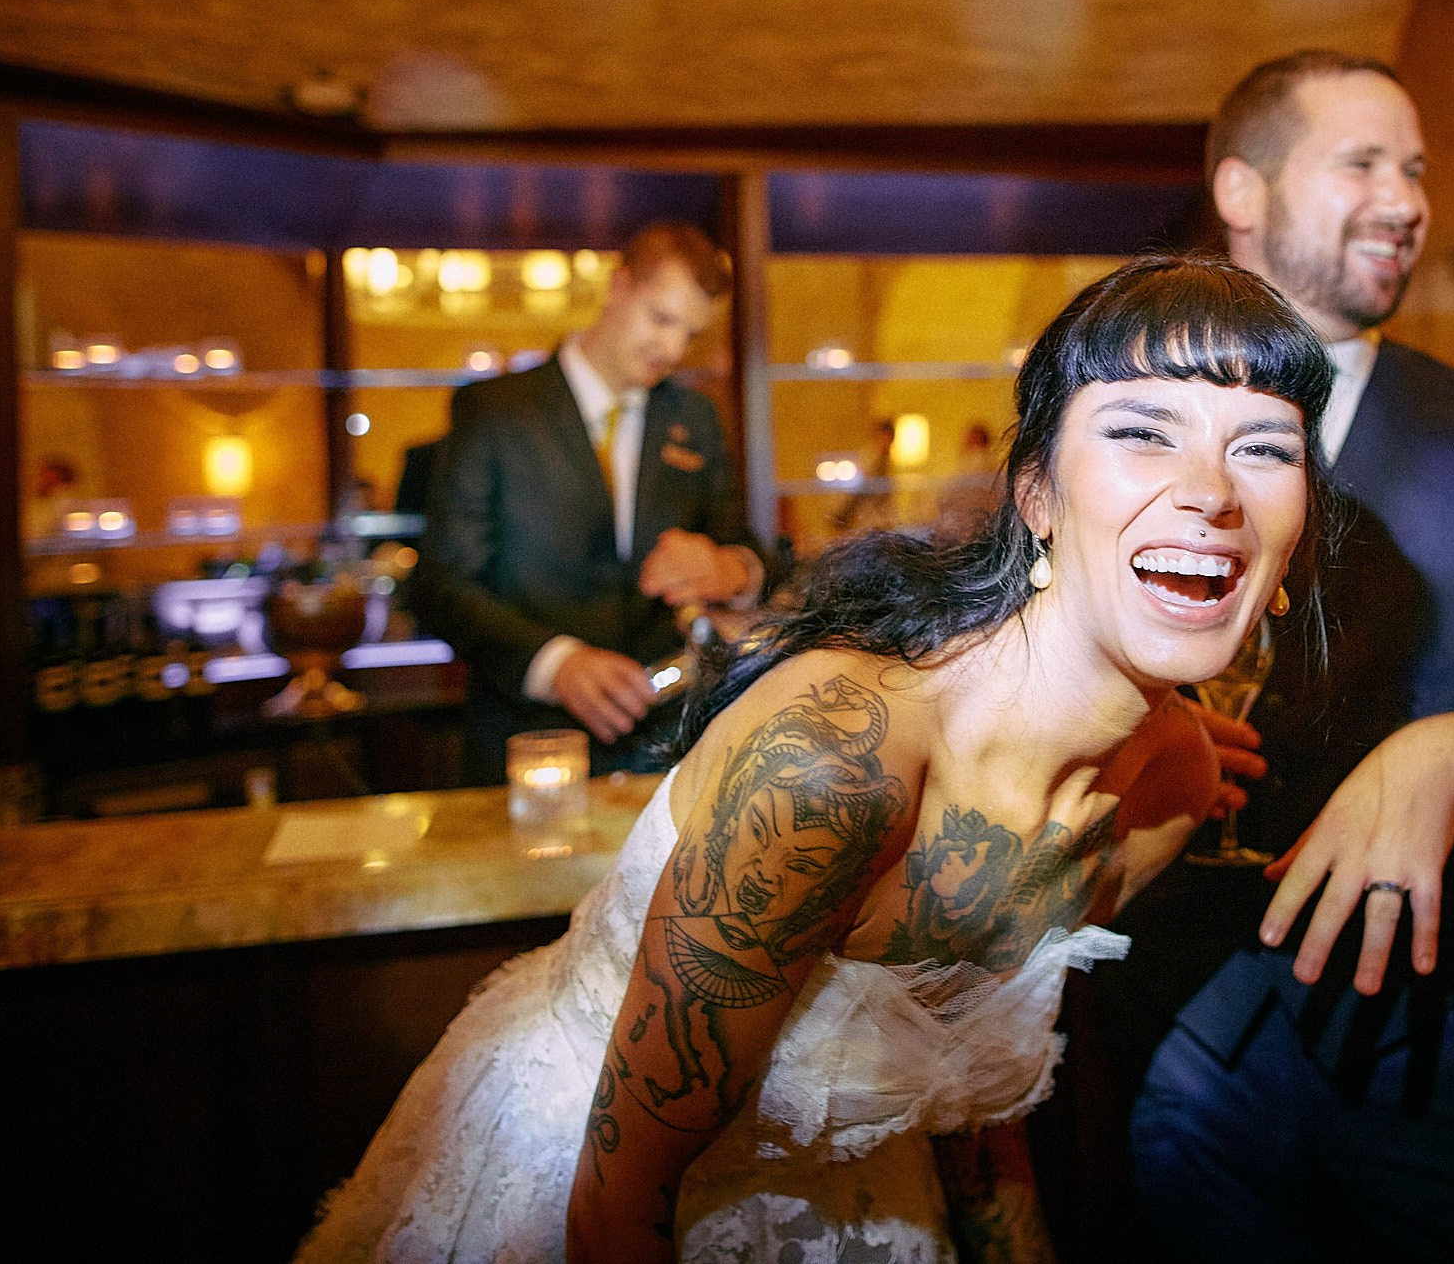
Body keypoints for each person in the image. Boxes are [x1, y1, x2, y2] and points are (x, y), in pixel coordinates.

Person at [296, 254, 1326, 1264]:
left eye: (1265, 449)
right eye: (1142, 433)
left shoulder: (1169, 788)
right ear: (1036, 498)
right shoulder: (831, 764)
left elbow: (964, 1085)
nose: (1211, 493)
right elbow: (614, 1208)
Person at [1114, 52, 1454, 1262]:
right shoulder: (1124, 412)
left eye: (1413, 170)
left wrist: (1439, 760)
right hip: (1178, 1016)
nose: (1404, 199)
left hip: (1429, 1017)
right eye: (1360, 163)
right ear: (1240, 192)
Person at [413, 222, 767, 782]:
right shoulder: (495, 410)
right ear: (619, 286)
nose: (672, 350)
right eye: (661, 318)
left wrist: (730, 569)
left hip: (669, 748)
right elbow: (442, 586)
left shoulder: (693, 419)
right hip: (532, 746)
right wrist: (555, 664)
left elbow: (749, 551)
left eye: (691, 335)